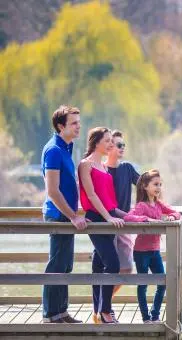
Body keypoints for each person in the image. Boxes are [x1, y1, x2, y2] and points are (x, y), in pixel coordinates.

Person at [41, 105, 88, 324]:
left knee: (66, 264)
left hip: (67, 215)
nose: (79, 127)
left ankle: (61, 312)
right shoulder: (53, 150)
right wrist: (72, 216)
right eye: (74, 123)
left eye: (79, 122)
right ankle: (51, 315)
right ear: (61, 126)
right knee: (57, 264)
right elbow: (52, 191)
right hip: (59, 215)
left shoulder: (66, 148)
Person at [78, 127, 126, 324]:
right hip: (97, 219)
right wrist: (108, 218)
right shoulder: (85, 165)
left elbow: (110, 202)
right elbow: (91, 195)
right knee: (113, 264)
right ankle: (106, 310)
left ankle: (97, 311)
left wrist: (130, 216)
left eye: (111, 142)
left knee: (99, 265)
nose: (111, 145)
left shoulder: (105, 168)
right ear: (96, 142)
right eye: (107, 141)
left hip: (108, 217)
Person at [124, 169, 182, 324]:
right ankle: (145, 318)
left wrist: (171, 216)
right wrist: (146, 220)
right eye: (155, 184)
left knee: (162, 282)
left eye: (160, 185)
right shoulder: (142, 205)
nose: (158, 188)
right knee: (143, 284)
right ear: (144, 186)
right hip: (141, 252)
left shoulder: (158, 204)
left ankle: (155, 314)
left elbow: (177, 214)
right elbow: (129, 217)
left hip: (155, 251)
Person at [99, 130, 140, 323]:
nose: (122, 148)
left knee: (126, 269)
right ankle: (104, 307)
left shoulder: (127, 168)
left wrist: (152, 209)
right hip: (107, 224)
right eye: (118, 145)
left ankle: (103, 303)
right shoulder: (101, 170)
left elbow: (144, 186)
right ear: (109, 148)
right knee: (110, 267)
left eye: (124, 145)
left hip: (124, 225)